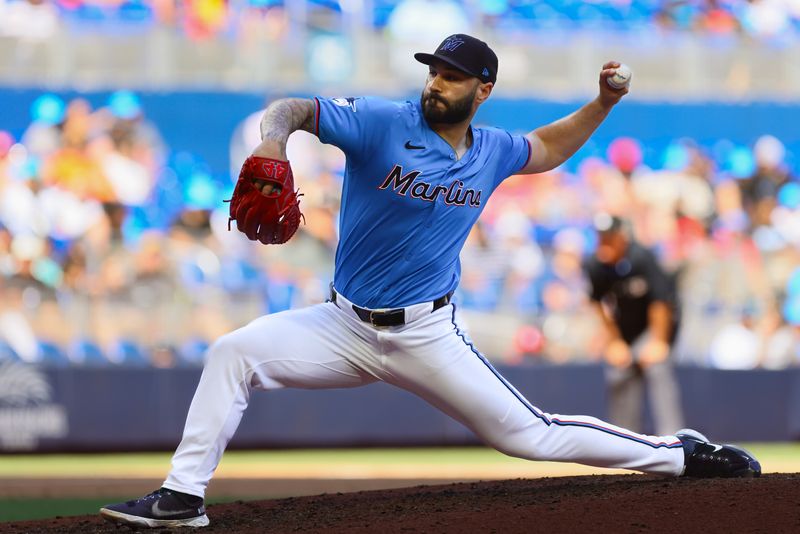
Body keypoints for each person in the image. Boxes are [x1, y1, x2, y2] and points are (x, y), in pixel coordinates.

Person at [100, 34, 760, 529]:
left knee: (529, 435)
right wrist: (272, 143)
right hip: (341, 325)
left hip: (427, 333)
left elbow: (551, 147)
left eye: (453, 76)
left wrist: (604, 101)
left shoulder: (494, 150)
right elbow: (294, 108)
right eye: (435, 70)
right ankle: (183, 497)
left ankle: (680, 455)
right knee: (233, 352)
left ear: (483, 90)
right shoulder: (382, 123)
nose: (437, 82)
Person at [583, 213, 685, 435]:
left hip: (655, 327)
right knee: (618, 374)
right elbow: (599, 306)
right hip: (626, 330)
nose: (604, 243)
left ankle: (673, 439)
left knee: (657, 369)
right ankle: (624, 440)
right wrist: (614, 342)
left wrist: (658, 341)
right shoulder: (595, 265)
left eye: (609, 237)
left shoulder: (641, 257)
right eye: (601, 238)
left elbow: (661, 303)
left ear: (622, 237)